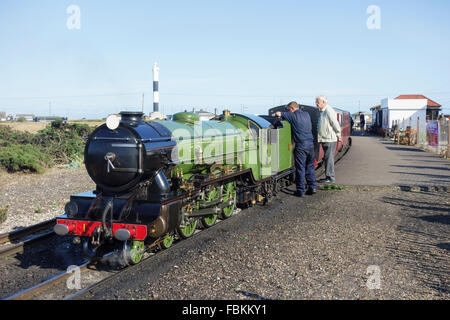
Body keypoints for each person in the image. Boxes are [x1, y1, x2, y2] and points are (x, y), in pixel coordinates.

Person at [275, 101, 316, 197]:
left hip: (301, 145)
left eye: (289, 110)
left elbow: (278, 113)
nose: (288, 111)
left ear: (292, 109)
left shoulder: (292, 116)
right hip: (311, 144)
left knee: (300, 168)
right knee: (310, 167)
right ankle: (312, 187)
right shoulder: (307, 114)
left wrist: (278, 115)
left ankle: (300, 190)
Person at [316, 96, 341, 184]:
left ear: (324, 102)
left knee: (329, 158)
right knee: (327, 158)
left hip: (329, 139)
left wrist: (339, 134)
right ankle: (328, 177)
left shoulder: (328, 110)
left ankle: (330, 178)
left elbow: (335, 123)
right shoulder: (322, 111)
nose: (316, 104)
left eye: (318, 102)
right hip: (325, 138)